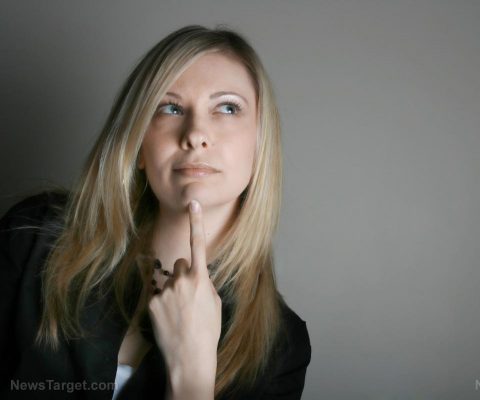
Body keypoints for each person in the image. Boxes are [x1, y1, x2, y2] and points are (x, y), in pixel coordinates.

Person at [0, 25, 311, 399]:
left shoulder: (283, 349)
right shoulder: (34, 239)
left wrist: (192, 373)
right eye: (171, 108)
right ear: (139, 146)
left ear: (260, 145)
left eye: (228, 108)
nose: (195, 134)